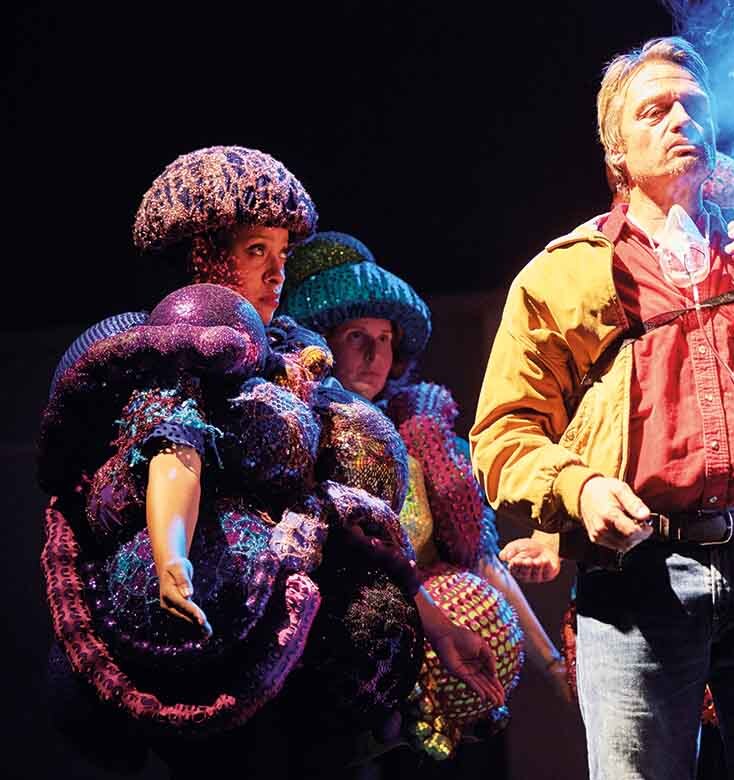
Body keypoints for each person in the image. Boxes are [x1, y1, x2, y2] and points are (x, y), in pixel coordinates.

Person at [470, 36, 734, 779]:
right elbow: (503, 432)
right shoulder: (562, 276)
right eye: (655, 111)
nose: (681, 123)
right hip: (639, 576)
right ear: (617, 153)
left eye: (694, 108)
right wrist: (581, 486)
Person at [39, 146, 500, 777]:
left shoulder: (298, 363)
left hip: (310, 659)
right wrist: (172, 556)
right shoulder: (179, 352)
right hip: (218, 625)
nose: (277, 274)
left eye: (283, 255)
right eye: (257, 250)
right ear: (206, 252)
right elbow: (176, 445)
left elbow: (343, 514)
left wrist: (435, 622)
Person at [279, 230, 572, 759]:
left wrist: (553, 666)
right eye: (355, 337)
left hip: (428, 670)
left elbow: (481, 560)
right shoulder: (295, 436)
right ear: (321, 342)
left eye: (386, 338)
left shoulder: (422, 439)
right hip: (323, 667)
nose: (373, 354)